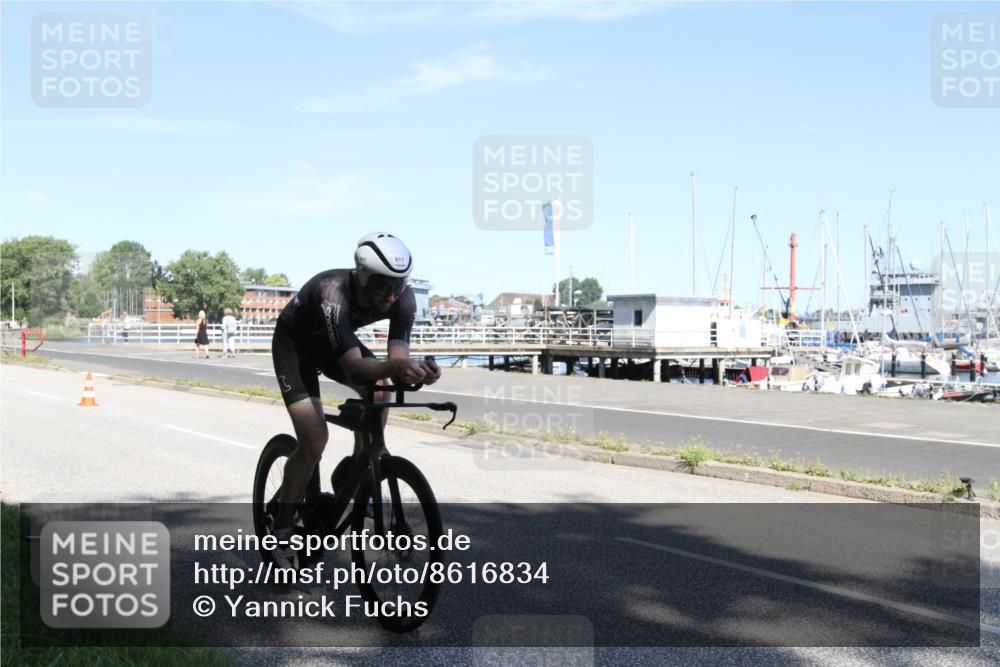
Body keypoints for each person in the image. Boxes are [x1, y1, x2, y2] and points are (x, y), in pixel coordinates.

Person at [270, 232, 440, 569]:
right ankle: (282, 526)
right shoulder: (332, 291)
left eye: (398, 286)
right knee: (315, 439)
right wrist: (396, 367)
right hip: (295, 349)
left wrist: (416, 372)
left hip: (332, 346)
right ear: (362, 277)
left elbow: (396, 360)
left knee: (382, 386)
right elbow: (353, 366)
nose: (391, 296)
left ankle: (356, 468)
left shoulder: (404, 299)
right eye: (382, 287)